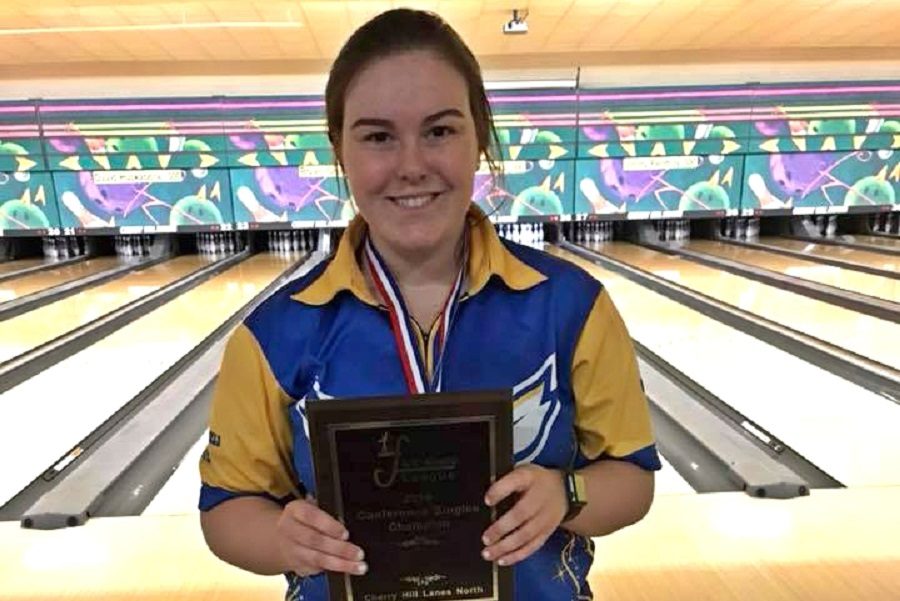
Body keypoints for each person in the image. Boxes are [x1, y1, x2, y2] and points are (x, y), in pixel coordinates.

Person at [199, 8, 660, 600]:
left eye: (439, 130)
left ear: (479, 137)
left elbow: (633, 479)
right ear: (340, 148)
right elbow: (225, 512)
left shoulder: (572, 307)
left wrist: (566, 494)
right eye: (378, 136)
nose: (412, 165)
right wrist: (281, 540)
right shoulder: (275, 335)